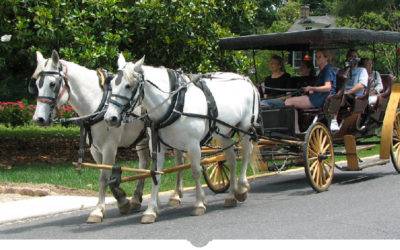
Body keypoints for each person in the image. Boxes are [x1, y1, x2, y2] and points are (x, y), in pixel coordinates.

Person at [285, 50, 336, 134]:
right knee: (292, 100)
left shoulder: (327, 70)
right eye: (316, 57)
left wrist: (312, 88)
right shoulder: (323, 71)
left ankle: (296, 131)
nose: (317, 59)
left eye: (319, 57)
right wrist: (312, 89)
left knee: (289, 101)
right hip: (318, 96)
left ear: (326, 58)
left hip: (322, 98)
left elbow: (328, 87)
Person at [330, 49, 369, 131]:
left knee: (339, 96)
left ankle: (334, 120)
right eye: (351, 57)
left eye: (355, 57)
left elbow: (361, 85)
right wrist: (348, 69)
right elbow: (340, 80)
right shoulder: (343, 71)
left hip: (355, 96)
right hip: (342, 93)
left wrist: (348, 92)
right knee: (332, 95)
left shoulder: (362, 71)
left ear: (358, 59)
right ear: (347, 58)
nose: (353, 59)